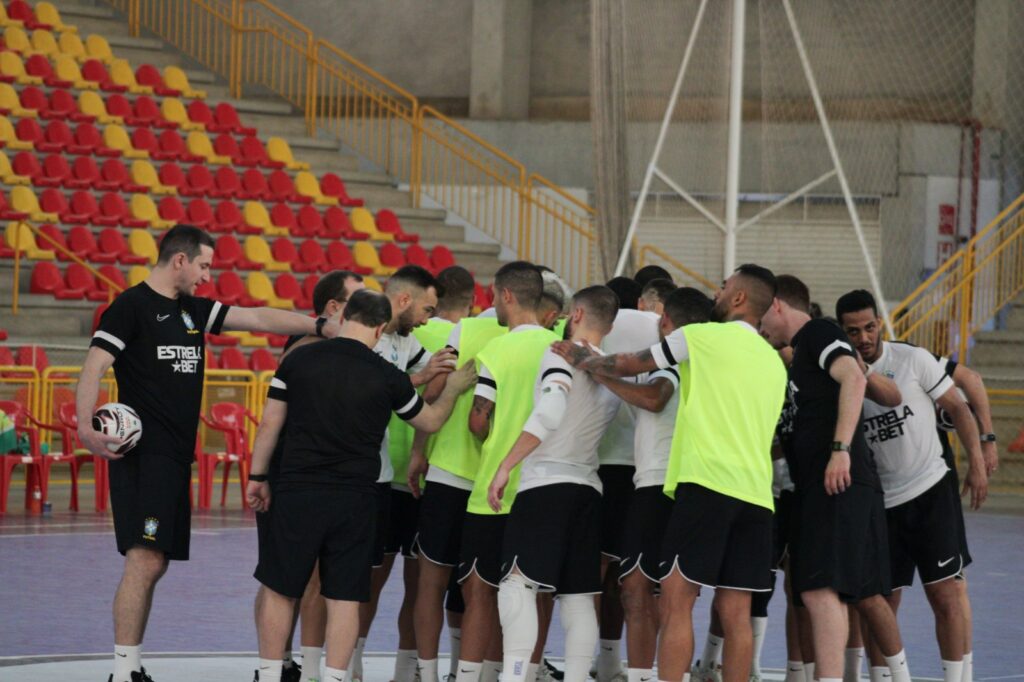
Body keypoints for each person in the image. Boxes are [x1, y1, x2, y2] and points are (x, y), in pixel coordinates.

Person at [75, 225, 339, 682]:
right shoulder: (130, 308)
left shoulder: (193, 310)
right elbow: (94, 365)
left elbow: (258, 319)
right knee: (145, 558)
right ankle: (123, 671)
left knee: (154, 561)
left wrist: (318, 326)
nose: (205, 276)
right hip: (145, 458)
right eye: (203, 265)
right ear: (179, 260)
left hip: (176, 458)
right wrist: (84, 425)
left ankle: (129, 667)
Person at [555, 264, 788, 682]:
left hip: (706, 485)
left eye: (724, 286)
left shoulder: (701, 336)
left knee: (676, 602)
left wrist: (587, 358)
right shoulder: (773, 363)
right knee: (736, 615)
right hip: (757, 496)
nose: (716, 292)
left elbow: (631, 364)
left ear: (738, 299)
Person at [247, 289, 478, 682]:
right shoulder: (386, 376)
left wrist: (257, 477)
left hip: (298, 490)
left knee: (279, 588)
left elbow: (270, 423)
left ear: (346, 316)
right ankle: (336, 677)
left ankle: (271, 674)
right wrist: (453, 389)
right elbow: (430, 422)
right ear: (380, 329)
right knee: (344, 597)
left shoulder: (298, 360)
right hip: (356, 499)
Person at [759, 276, 910, 682]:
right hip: (823, 486)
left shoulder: (817, 332)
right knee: (849, 592)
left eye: (761, 318)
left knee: (820, 590)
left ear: (777, 305)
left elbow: (856, 378)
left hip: (838, 481)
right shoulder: (794, 368)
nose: (760, 328)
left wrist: (839, 451)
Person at [836, 289, 988, 682]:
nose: (864, 338)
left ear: (880, 324)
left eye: (870, 327)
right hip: (880, 503)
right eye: (854, 331)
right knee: (882, 602)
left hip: (931, 491)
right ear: (843, 333)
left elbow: (957, 406)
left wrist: (976, 460)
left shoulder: (912, 359)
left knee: (945, 595)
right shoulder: (842, 377)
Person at [487, 286, 622, 682]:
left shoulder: (559, 352)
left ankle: (513, 677)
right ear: (609, 325)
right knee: (579, 597)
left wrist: (506, 465)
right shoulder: (611, 370)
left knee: (517, 588)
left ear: (576, 314)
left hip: (546, 484)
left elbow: (549, 410)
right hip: (588, 488)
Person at [254, 270, 366, 682]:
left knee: (313, 578)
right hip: (287, 475)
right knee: (278, 576)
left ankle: (302, 666)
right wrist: (259, 474)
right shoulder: (305, 348)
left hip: (319, 478)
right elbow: (273, 417)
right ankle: (274, 665)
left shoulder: (343, 352)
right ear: (334, 308)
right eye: (357, 300)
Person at [597, 288, 713, 682]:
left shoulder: (671, 362)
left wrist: (599, 370)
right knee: (674, 599)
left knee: (637, 589)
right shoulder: (711, 364)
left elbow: (654, 398)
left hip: (659, 485)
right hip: (692, 484)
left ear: (666, 323)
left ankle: (646, 676)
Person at [352, 265, 458, 682]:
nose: (429, 320)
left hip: (402, 474)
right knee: (368, 579)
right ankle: (350, 661)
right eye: (427, 309)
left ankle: (407, 670)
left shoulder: (406, 339)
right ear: (403, 300)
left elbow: (419, 386)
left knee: (418, 583)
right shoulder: (367, 336)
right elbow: (385, 387)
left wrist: (439, 374)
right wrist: (428, 378)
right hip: (368, 478)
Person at [456, 261, 560, 682]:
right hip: (543, 489)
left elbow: (478, 421)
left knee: (479, 590)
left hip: (492, 491)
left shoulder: (497, 350)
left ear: (507, 296)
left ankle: (468, 676)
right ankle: (520, 673)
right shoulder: (560, 349)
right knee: (531, 594)